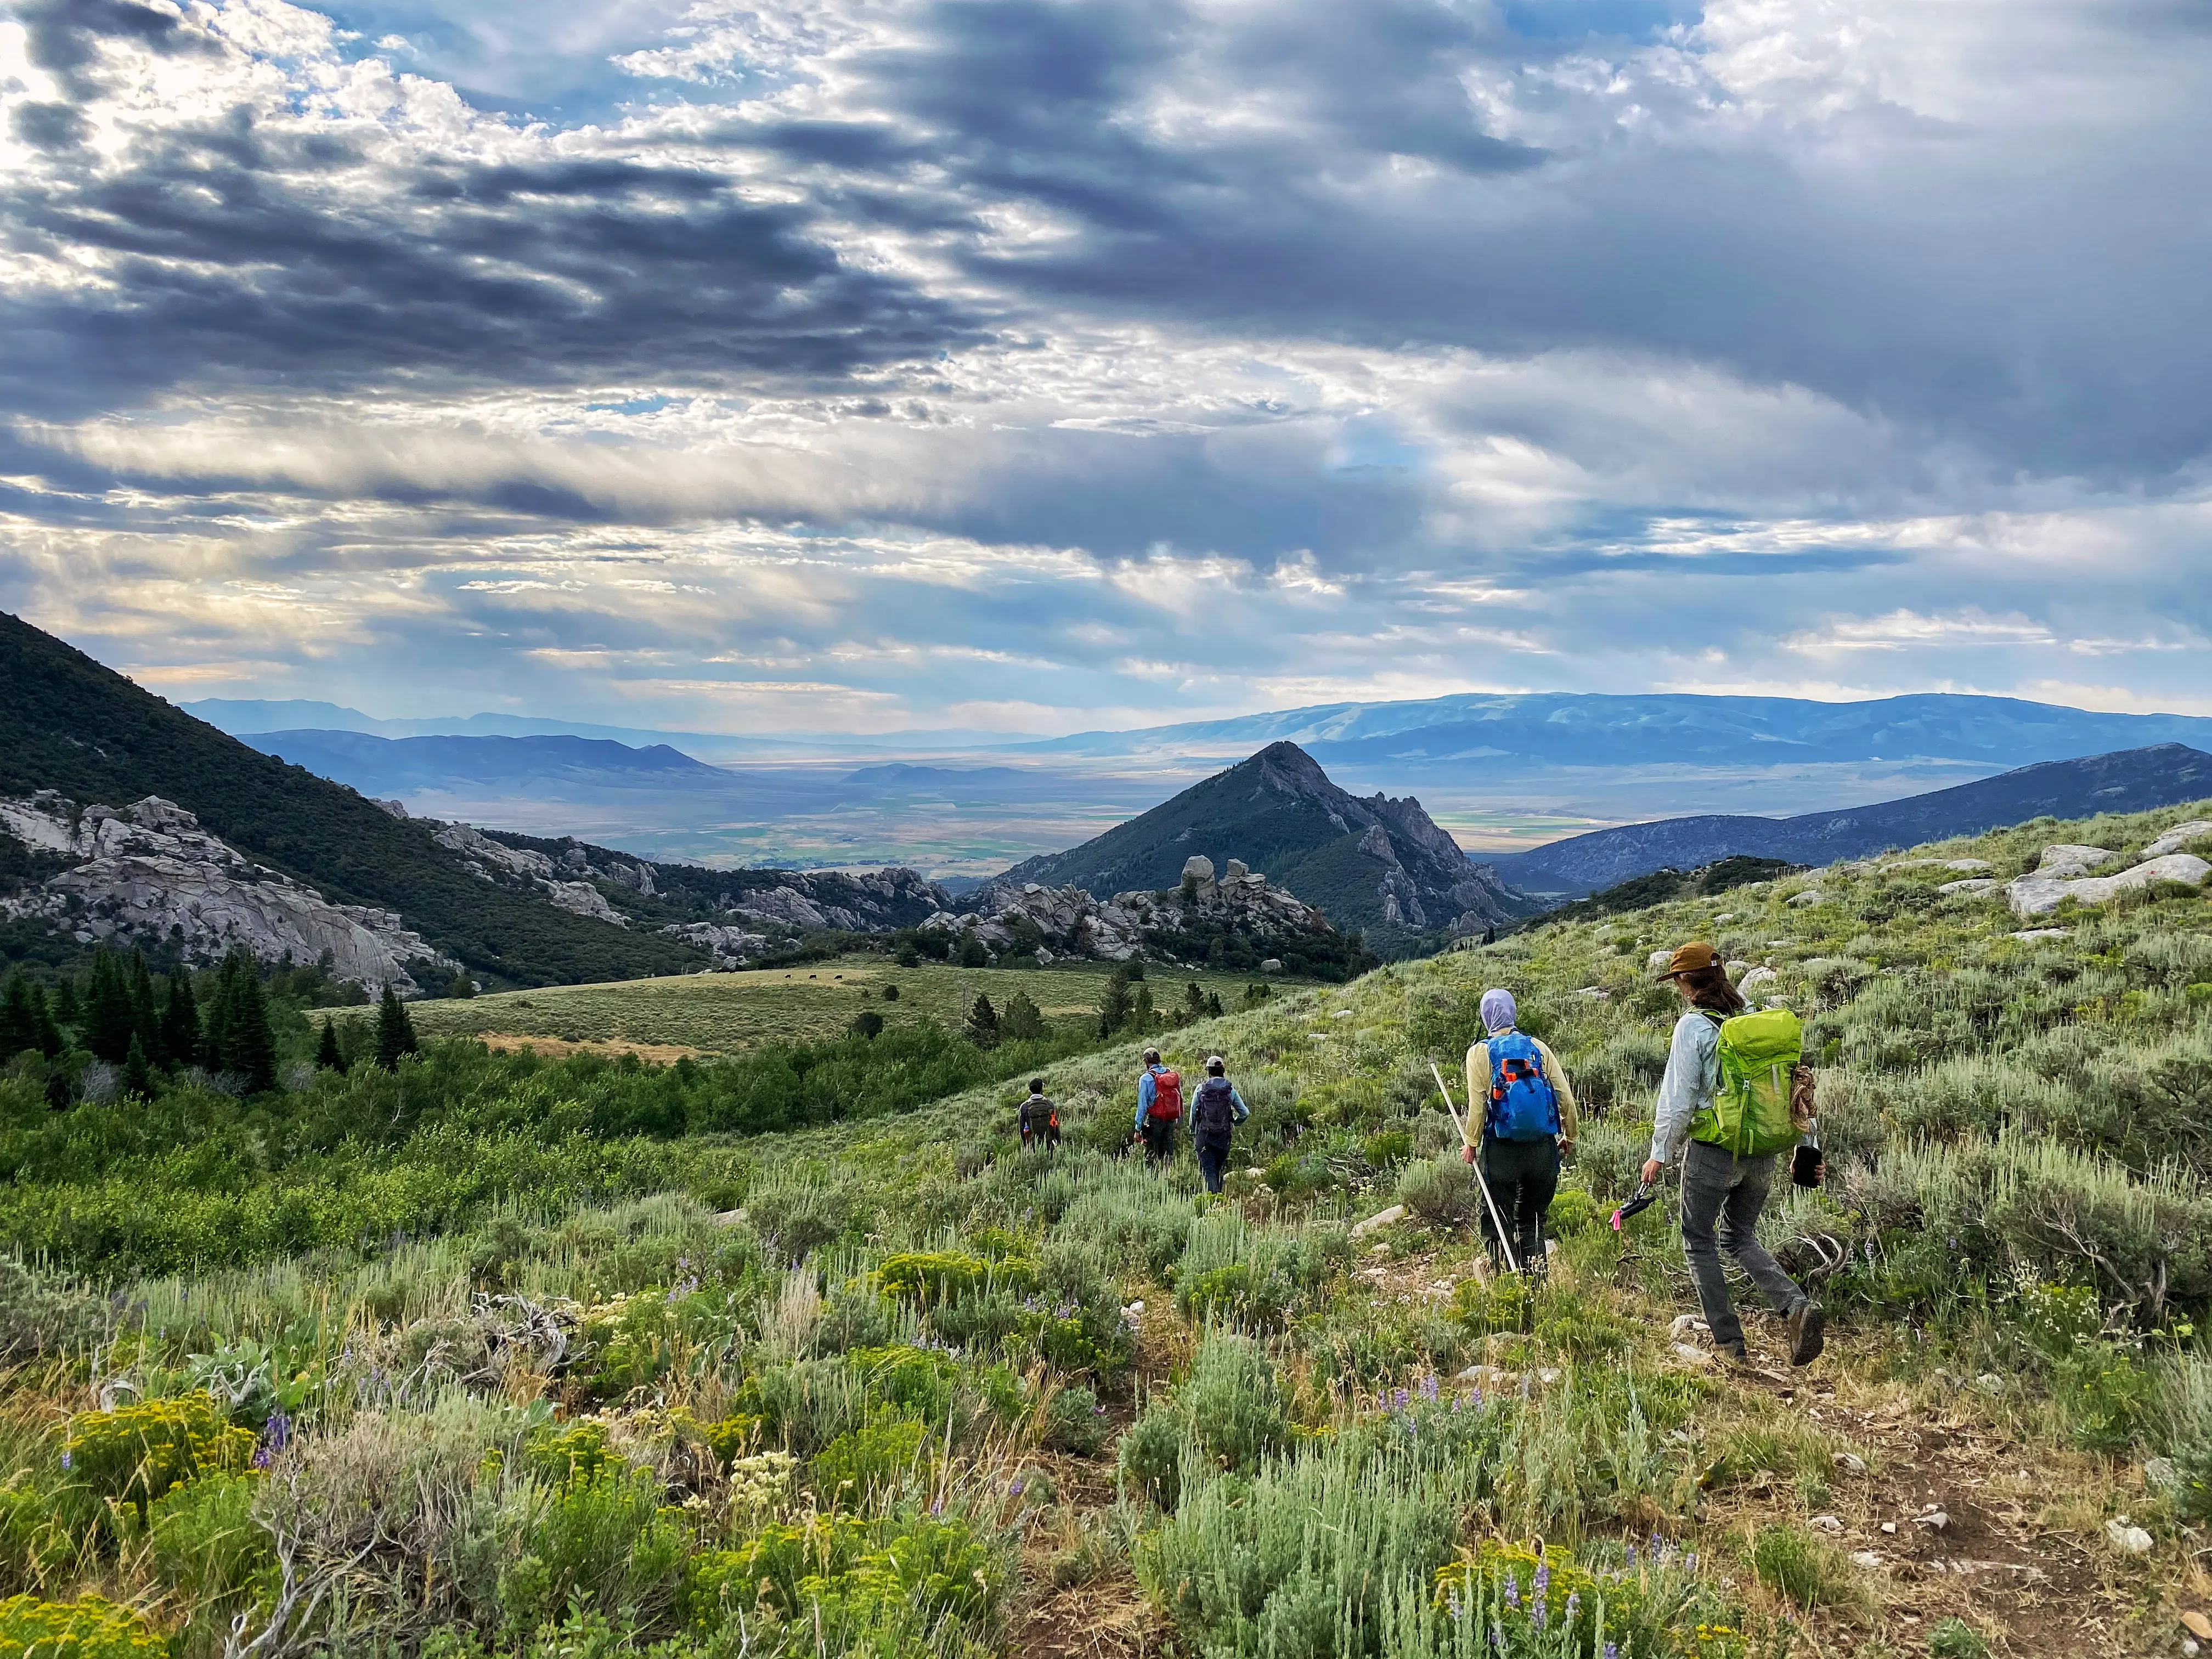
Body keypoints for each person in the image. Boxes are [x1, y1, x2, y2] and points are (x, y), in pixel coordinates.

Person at [1641, 942, 1826, 1368]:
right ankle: (1795, 1307)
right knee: (1739, 1237)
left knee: (1698, 1240)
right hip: (1762, 1150)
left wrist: (1659, 1153)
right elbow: (1797, 1088)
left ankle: (1730, 1346)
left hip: (1715, 1151)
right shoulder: (1752, 1019)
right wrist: (1807, 1146)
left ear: (1686, 982)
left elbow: (1677, 1101)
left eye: (1677, 981)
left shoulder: (1693, 1027)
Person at [1462, 988, 1577, 1274]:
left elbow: (1477, 1107)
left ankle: (1507, 1285)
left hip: (1501, 1151)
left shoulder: (1479, 1053)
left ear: (1485, 1017)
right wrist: (1570, 1136)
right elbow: (1565, 1097)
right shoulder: (1538, 1047)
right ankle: (1536, 1285)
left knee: (1497, 1222)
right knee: (1533, 1222)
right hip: (1542, 1150)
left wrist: (1471, 1143)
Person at [1189, 1055, 1250, 1194]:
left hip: (1205, 1136)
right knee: (1218, 1168)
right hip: (1224, 1135)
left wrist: (1193, 1131)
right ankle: (1219, 1198)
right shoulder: (1230, 1090)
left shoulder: (1201, 1089)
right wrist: (1235, 1122)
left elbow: (1193, 1113)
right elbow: (1245, 1113)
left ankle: (1214, 1200)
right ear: (1223, 1070)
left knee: (1208, 1170)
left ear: (1208, 1071)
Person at [1132, 1048, 1182, 1168]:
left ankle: (1152, 1177)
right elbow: (1179, 1098)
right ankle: (1169, 1176)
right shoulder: (1170, 1073)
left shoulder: (1146, 1078)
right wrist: (1180, 1122)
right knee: (1168, 1154)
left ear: (1146, 1061)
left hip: (1155, 1120)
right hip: (1171, 1119)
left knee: (1151, 1155)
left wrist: (1138, 1129)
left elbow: (1142, 1106)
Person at [1019, 1078, 1060, 1150]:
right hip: (1048, 1143)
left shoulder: (1025, 1106)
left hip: (1033, 1144)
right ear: (1041, 1089)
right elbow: (1055, 1124)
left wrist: (1025, 1144)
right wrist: (1059, 1141)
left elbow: (1022, 1128)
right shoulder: (1050, 1104)